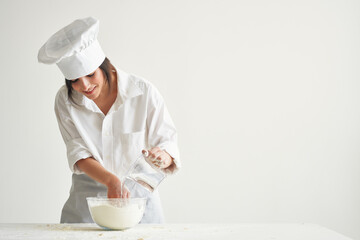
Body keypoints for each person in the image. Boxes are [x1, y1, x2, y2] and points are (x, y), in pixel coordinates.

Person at [37, 17, 181, 223]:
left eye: (89, 74)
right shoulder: (66, 100)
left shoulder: (144, 92)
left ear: (104, 65)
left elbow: (167, 143)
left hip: (139, 203)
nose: (84, 86)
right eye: (74, 80)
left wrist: (162, 156)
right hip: (87, 207)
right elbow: (78, 152)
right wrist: (110, 180)